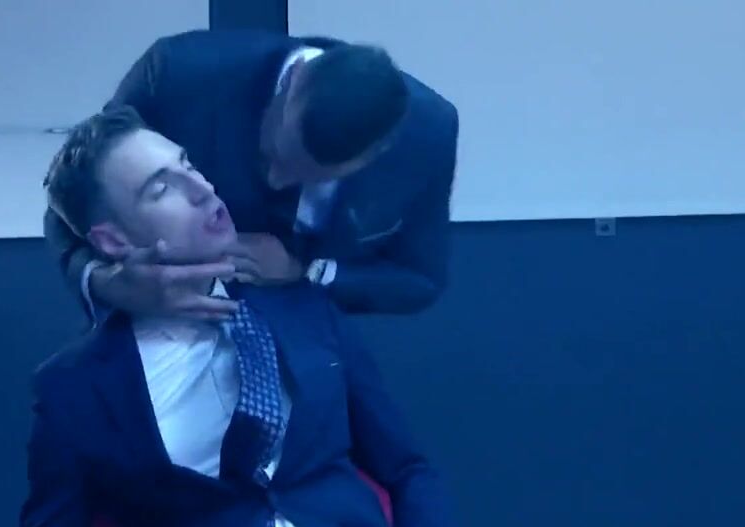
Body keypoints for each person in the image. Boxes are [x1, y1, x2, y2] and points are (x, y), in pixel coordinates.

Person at [6, 106, 648, 527]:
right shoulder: (75, 385)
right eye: (161, 188)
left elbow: (409, 470)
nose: (201, 188)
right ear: (113, 240)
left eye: (189, 165)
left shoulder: (305, 312)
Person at [44, 29, 459, 319]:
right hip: (149, 335)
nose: (277, 180)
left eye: (308, 177)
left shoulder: (429, 135)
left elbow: (419, 280)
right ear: (292, 81)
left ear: (378, 153)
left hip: (311, 356)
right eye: (272, 155)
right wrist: (104, 283)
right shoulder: (177, 74)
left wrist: (308, 272)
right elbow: (70, 197)